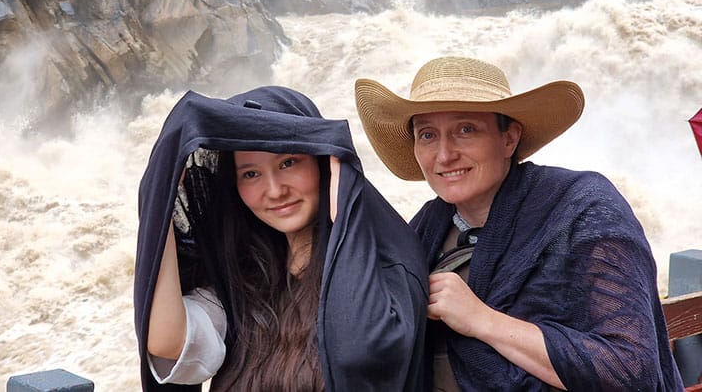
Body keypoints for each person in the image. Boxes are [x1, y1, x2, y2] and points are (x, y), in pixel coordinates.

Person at [354, 56, 683, 391]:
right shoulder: (425, 230)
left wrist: (480, 319)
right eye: (427, 135)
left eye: (465, 130)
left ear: (509, 138)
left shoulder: (584, 210)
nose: (444, 155)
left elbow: (628, 370)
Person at [134, 86, 428, 391]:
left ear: (323, 161)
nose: (274, 190)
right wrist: (161, 204)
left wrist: (345, 206)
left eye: (288, 163)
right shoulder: (246, 279)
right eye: (251, 174)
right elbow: (168, 342)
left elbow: (359, 353)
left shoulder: (388, 266)